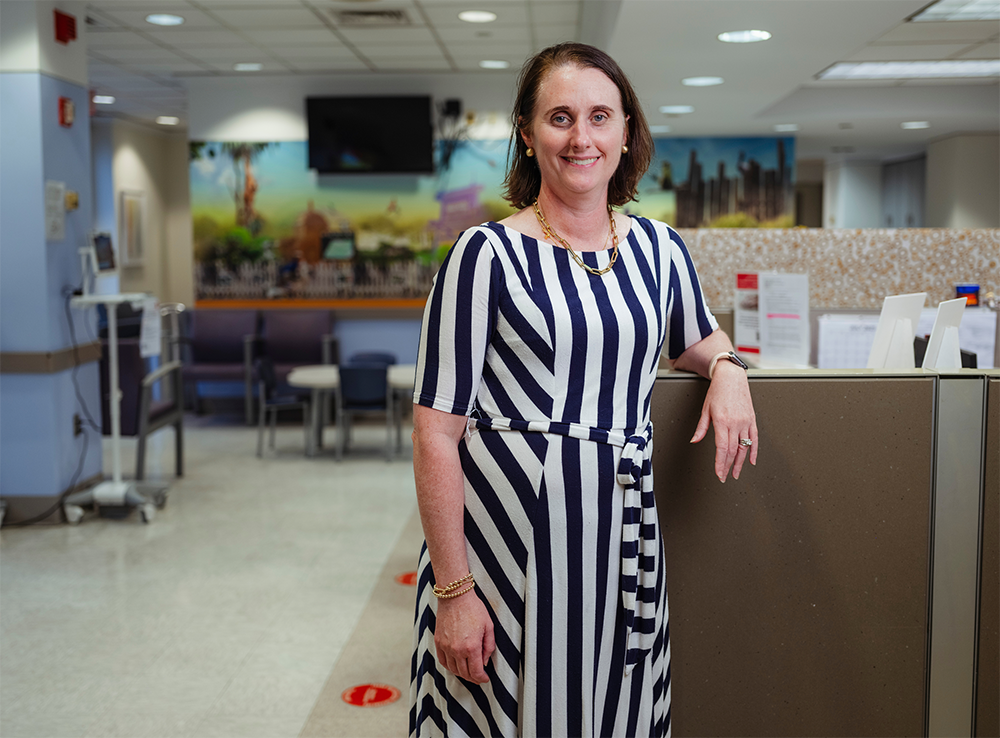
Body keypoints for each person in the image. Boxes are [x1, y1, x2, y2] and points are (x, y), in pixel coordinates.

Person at [409, 42, 758, 737]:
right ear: (528, 135)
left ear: (626, 130)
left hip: (621, 547)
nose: (581, 137)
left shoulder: (660, 250)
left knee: (614, 716)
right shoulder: (485, 256)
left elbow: (699, 339)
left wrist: (729, 371)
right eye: (560, 117)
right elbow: (434, 432)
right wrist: (454, 593)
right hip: (502, 551)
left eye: (600, 116)